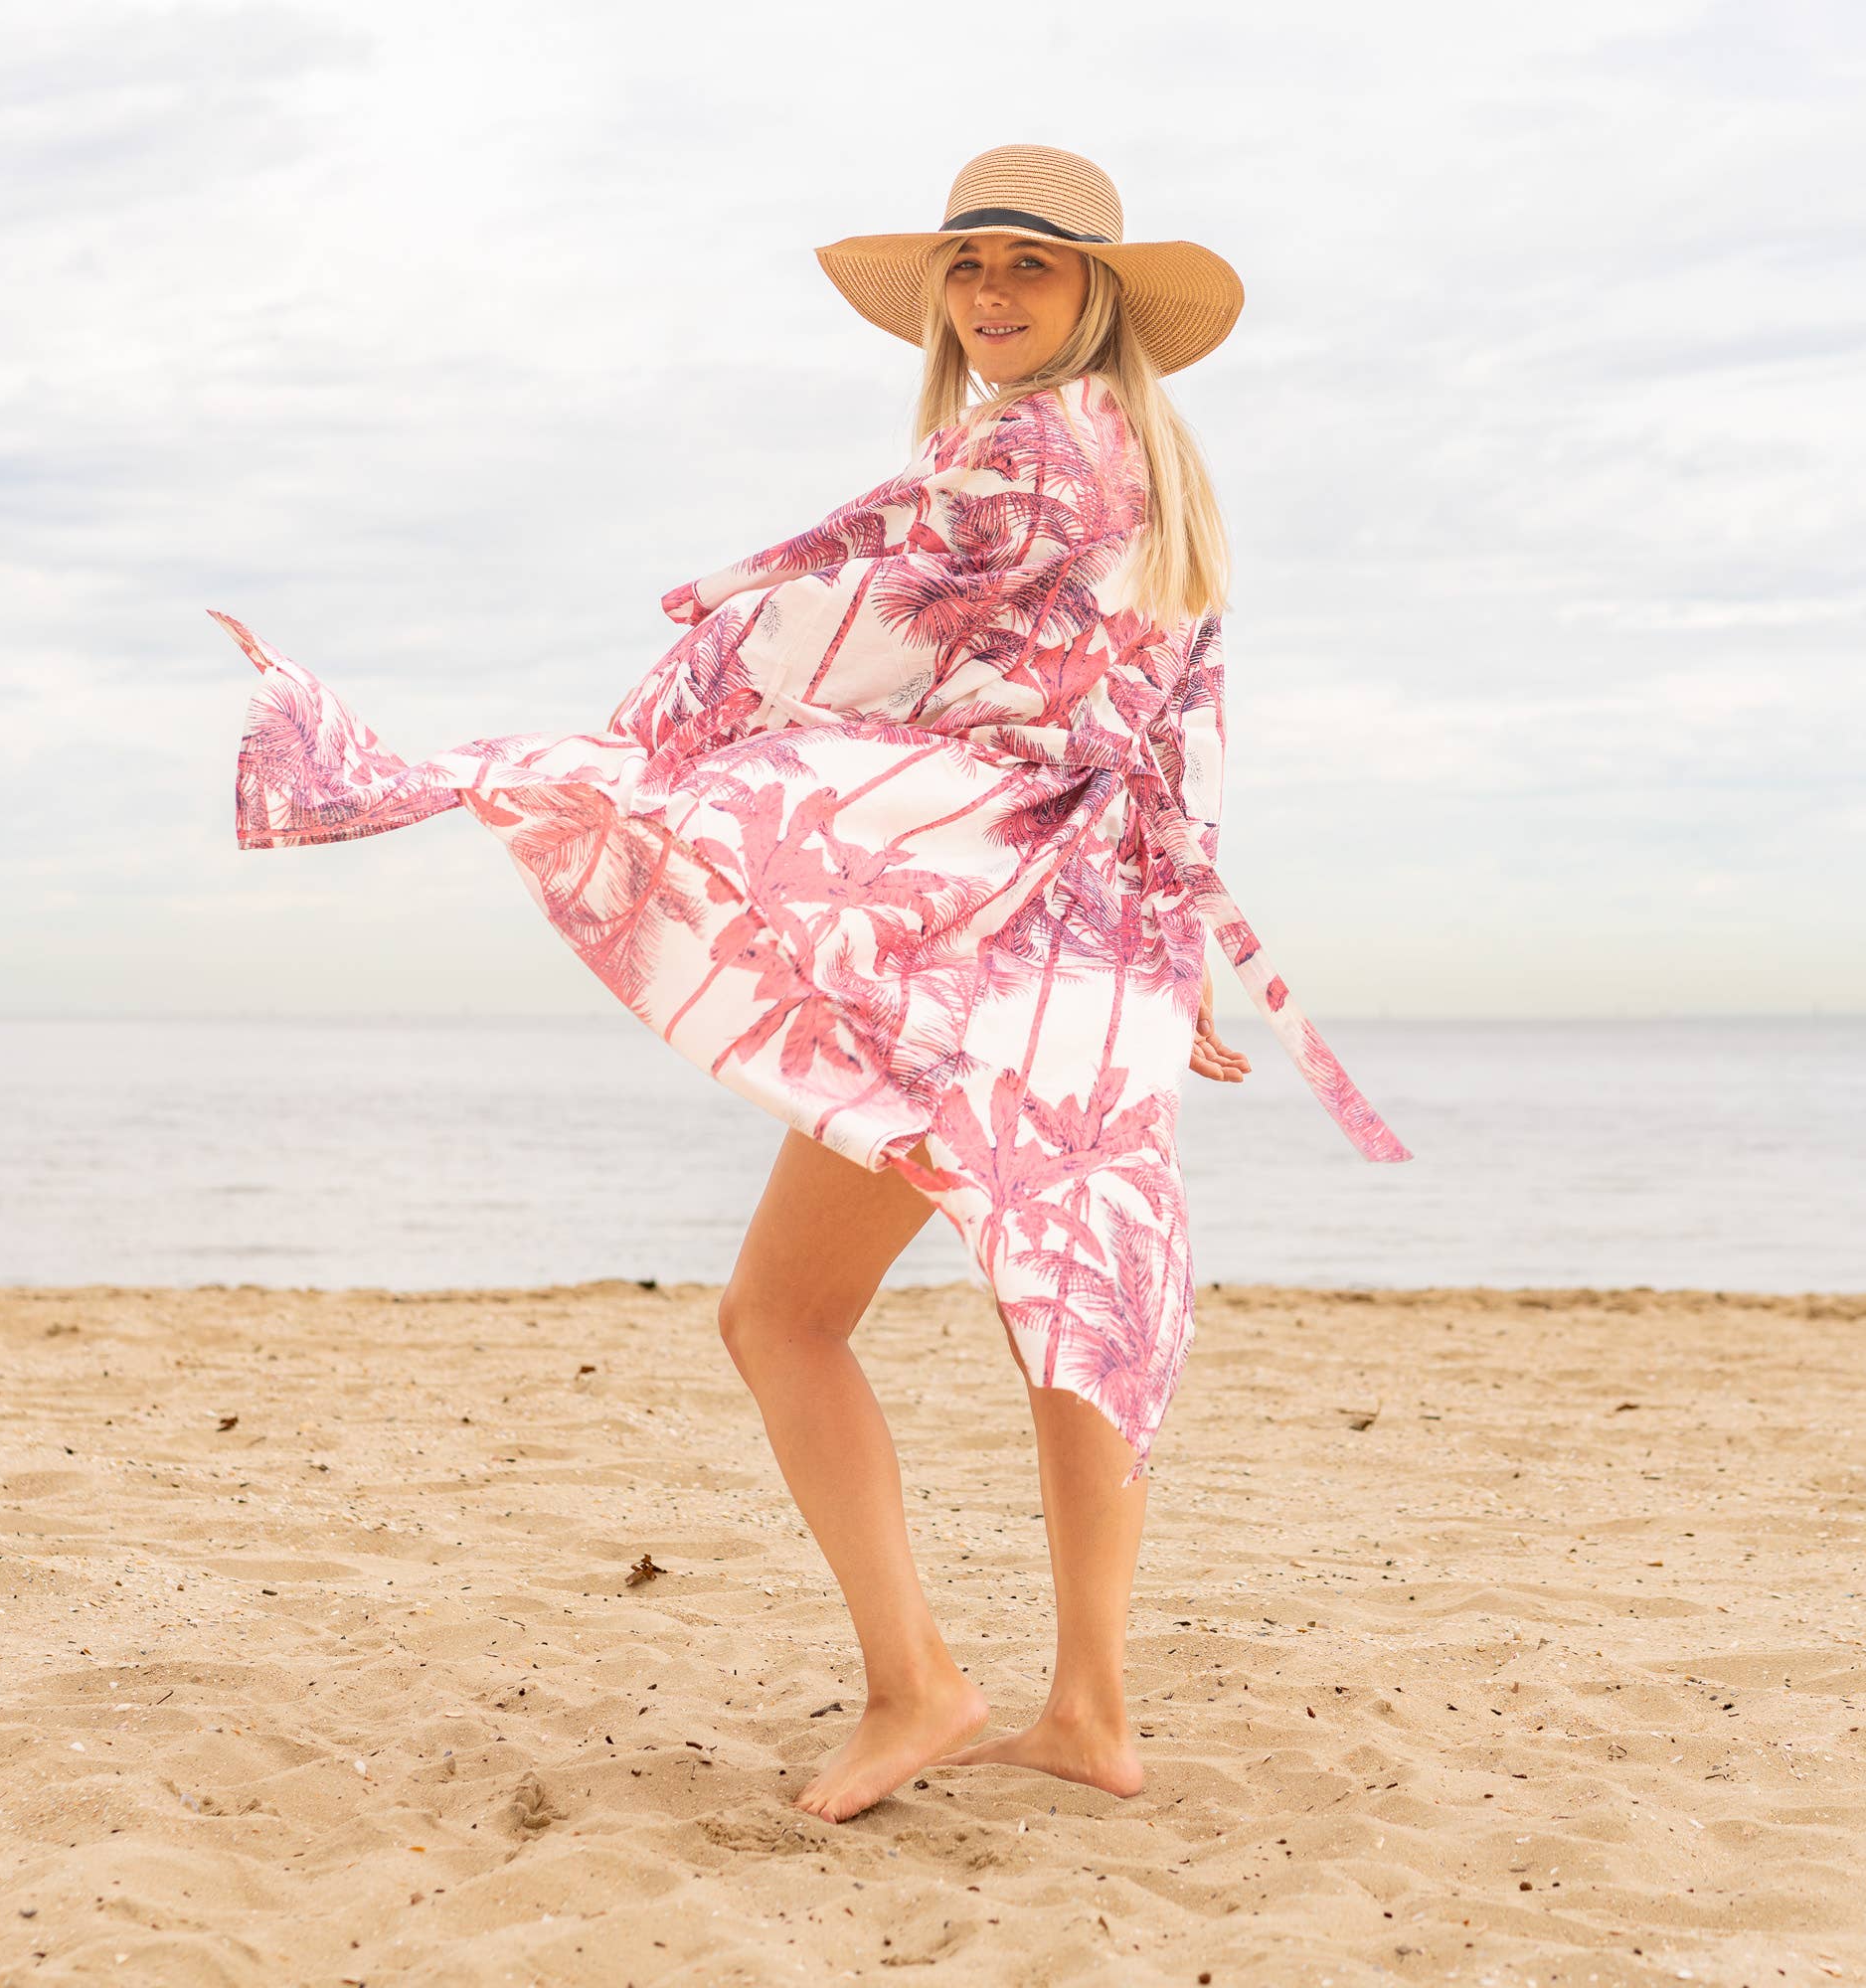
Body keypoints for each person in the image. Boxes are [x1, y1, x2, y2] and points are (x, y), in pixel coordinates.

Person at [214, 141, 1411, 1825]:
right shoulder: (1155, 470)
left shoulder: (1018, 456)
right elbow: (1175, 732)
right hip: (1079, 949)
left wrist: (634, 737)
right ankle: (1091, 1709)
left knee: (784, 1316)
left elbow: (811, 626)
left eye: (1031, 270)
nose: (992, 297)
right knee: (1065, 1303)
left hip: (968, 922)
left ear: (1096, 298)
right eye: (972, 269)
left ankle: (921, 1680)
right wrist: (1175, 940)